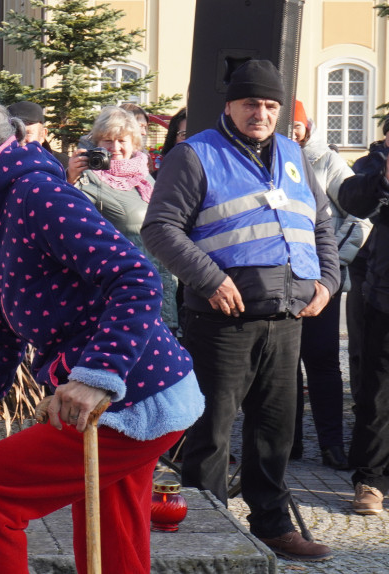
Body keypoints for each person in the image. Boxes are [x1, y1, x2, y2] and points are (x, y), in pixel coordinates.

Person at [0, 86, 204, 574]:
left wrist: (95, 375)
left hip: (135, 396)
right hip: (118, 396)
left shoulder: (37, 195)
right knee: (112, 545)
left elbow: (136, 277)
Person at [142, 60, 340, 562]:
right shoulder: (195, 155)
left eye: (271, 105)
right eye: (252, 103)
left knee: (276, 430)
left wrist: (328, 281)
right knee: (211, 430)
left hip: (288, 316)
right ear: (229, 105)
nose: (262, 113)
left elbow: (321, 225)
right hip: (222, 318)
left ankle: (271, 525)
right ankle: (208, 536)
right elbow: (160, 228)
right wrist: (209, 278)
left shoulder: (294, 155)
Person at [289, 101, 370, 470]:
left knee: (321, 361)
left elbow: (359, 216)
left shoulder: (328, 162)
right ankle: (286, 443)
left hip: (322, 279)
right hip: (281, 280)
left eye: (297, 125)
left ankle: (331, 445)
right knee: (282, 364)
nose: (292, 132)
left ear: (308, 126)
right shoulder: (269, 159)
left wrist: (331, 264)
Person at [66, 106, 179, 331]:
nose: (115, 148)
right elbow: (68, 221)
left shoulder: (144, 176)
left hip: (161, 283)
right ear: (97, 143)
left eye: (122, 141)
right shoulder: (89, 179)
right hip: (123, 290)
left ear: (134, 143)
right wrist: (69, 179)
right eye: (107, 140)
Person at [338, 124, 389, 515]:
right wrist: (383, 180)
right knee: (376, 395)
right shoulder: (371, 167)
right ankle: (370, 480)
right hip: (382, 298)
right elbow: (352, 201)